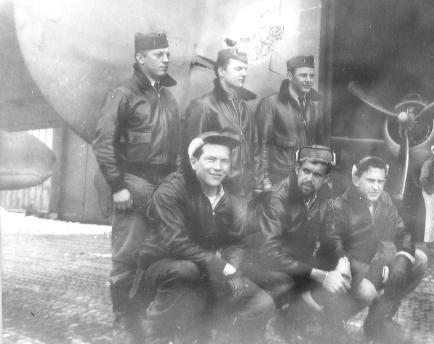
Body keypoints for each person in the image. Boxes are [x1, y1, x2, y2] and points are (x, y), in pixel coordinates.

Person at [136, 132, 275, 344]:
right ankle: (159, 336)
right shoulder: (171, 190)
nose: (218, 167)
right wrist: (222, 267)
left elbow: (237, 240)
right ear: (194, 162)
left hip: (208, 271)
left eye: (224, 161)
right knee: (184, 270)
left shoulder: (232, 195)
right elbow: (176, 243)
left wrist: (233, 271)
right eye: (211, 159)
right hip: (161, 270)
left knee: (262, 302)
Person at [92, 32, 180, 343]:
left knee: (155, 256)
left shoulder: (168, 98)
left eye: (167, 53)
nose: (166, 59)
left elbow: (177, 150)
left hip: (162, 188)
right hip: (132, 184)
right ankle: (124, 324)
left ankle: (142, 320)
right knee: (127, 257)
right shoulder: (123, 93)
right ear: (140, 58)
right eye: (158, 54)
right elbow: (103, 144)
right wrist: (118, 185)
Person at [243, 145, 348, 343]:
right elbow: (268, 253)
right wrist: (320, 275)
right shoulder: (278, 198)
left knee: (345, 272)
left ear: (326, 179)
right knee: (285, 283)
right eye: (306, 171)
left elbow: (331, 234)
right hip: (261, 265)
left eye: (317, 175)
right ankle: (264, 325)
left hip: (296, 261)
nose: (309, 178)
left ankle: (300, 317)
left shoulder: (324, 196)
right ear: (297, 169)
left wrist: (343, 260)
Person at [318, 156, 428, 344]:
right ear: (356, 179)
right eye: (370, 180)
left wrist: (402, 259)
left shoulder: (384, 199)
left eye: (380, 181)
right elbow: (336, 251)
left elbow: (403, 233)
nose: (376, 187)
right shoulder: (338, 206)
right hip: (345, 273)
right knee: (368, 291)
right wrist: (379, 269)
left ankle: (378, 321)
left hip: (372, 265)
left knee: (418, 259)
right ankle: (331, 322)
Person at [184, 45, 259, 197]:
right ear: (221, 72)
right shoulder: (203, 106)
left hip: (246, 193)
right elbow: (191, 158)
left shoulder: (246, 109)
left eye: (245, 69)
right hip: (218, 193)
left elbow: (255, 149)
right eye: (238, 69)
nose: (244, 73)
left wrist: (256, 183)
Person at [255, 55, 329, 190]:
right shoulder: (271, 104)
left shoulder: (316, 105)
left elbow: (322, 146)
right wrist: (264, 182)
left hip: (306, 180)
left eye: (312, 76)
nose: (309, 80)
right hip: (279, 180)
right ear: (289, 75)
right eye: (303, 75)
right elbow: (262, 147)